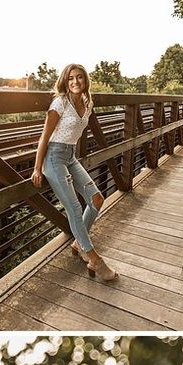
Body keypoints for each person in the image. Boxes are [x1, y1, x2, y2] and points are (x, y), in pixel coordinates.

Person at [31, 64, 118, 282]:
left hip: (70, 156)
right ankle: (94, 259)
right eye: (71, 78)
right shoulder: (59, 103)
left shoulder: (88, 103)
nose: (75, 82)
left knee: (97, 199)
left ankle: (79, 243)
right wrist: (37, 167)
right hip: (53, 157)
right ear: (65, 81)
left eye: (79, 77)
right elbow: (44, 137)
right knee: (74, 207)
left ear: (85, 80)